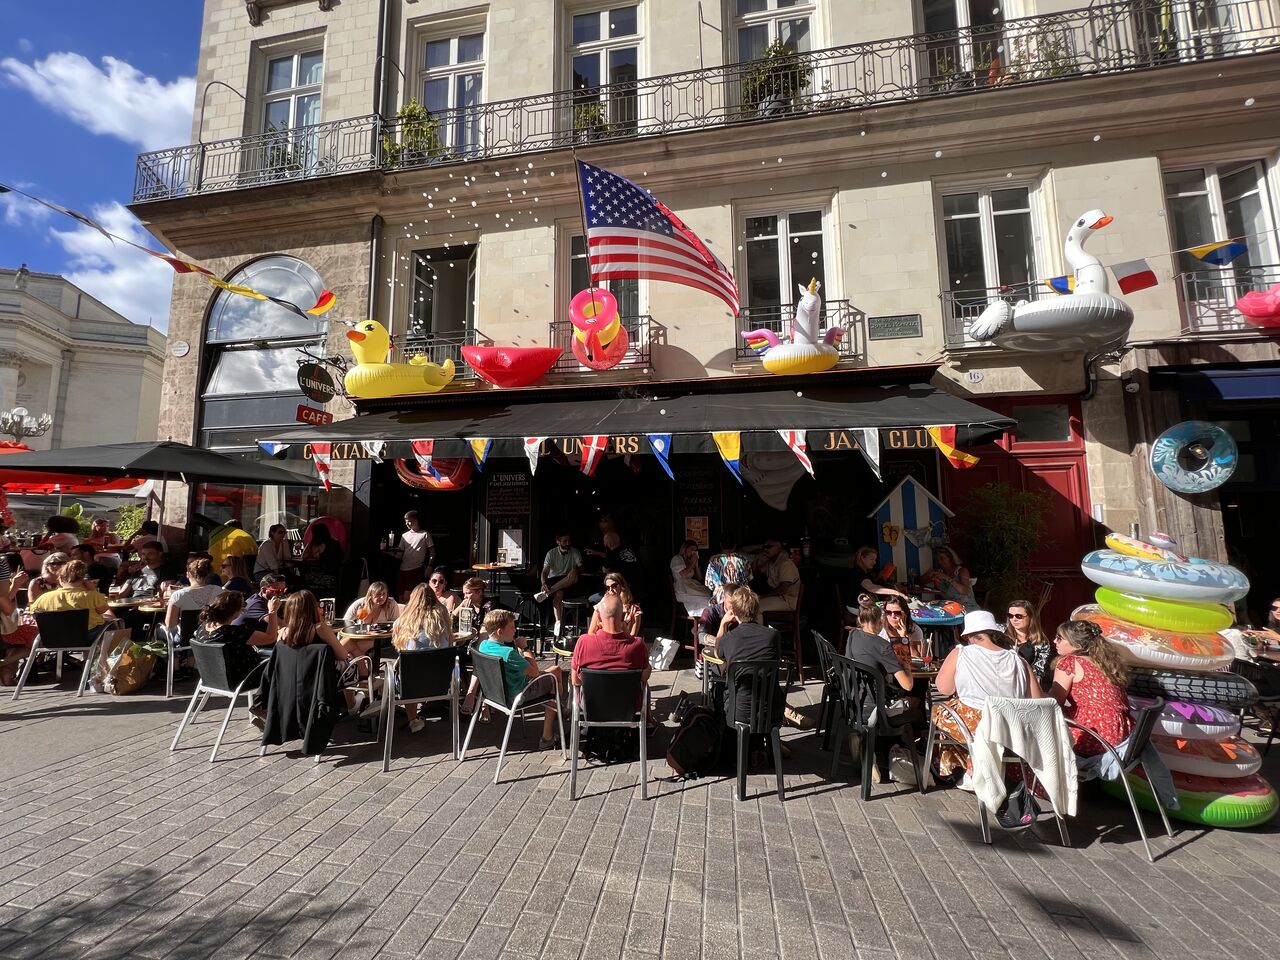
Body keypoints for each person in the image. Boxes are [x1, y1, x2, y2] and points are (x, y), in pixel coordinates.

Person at [931, 610, 1044, 782]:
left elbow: (944, 688)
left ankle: (964, 770)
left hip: (973, 725)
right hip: (1010, 726)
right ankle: (973, 766)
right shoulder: (1017, 659)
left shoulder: (961, 653)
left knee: (940, 711)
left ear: (968, 635)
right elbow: (1036, 699)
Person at [843, 600, 922, 783]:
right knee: (916, 704)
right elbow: (908, 684)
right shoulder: (881, 645)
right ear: (880, 621)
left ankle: (865, 744)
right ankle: (900, 749)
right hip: (876, 712)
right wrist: (903, 646)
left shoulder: (853, 635)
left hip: (853, 703)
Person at [710, 586, 784, 770]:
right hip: (771, 710)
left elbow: (718, 653)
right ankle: (758, 749)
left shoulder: (730, 638)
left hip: (739, 710)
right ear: (756, 610)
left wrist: (722, 625)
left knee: (718, 690)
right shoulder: (773, 636)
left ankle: (732, 751)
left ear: (733, 612)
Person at [30, 559, 130, 690]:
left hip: (51, 639)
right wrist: (92, 590)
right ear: (84, 579)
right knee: (113, 624)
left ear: (60, 579)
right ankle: (108, 671)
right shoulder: (91, 596)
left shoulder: (45, 598)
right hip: (84, 637)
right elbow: (103, 610)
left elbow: (34, 613)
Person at [476, 608, 563, 750]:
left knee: (552, 675)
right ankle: (548, 736)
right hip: (518, 695)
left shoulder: (483, 645)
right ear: (500, 632)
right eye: (511, 627)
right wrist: (525, 647)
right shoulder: (509, 653)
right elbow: (534, 672)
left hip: (494, 695)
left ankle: (560, 710)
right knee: (555, 673)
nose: (515, 630)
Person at [1048, 620, 1133, 759]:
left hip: (1095, 734)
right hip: (1121, 734)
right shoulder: (1105, 663)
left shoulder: (1070, 662)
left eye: (1060, 638)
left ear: (1077, 645)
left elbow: (1053, 702)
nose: (1054, 640)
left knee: (1037, 734)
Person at [389, 583, 456, 732]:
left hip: (411, 683)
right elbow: (449, 642)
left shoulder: (403, 621)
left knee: (405, 667)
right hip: (441, 681)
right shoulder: (442, 615)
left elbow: (402, 648)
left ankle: (413, 720)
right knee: (411, 663)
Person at [571, 594, 650, 717]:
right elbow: (645, 676)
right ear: (623, 617)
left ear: (599, 617)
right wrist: (628, 635)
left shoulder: (583, 642)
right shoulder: (638, 645)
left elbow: (575, 681)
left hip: (591, 707)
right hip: (628, 707)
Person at [191, 590, 281, 693]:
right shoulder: (234, 633)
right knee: (282, 663)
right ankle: (267, 705)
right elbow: (271, 637)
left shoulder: (202, 628)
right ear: (235, 613)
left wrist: (235, 612)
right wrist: (272, 612)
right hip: (244, 677)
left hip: (213, 677)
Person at [276, 589, 359, 662]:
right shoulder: (319, 628)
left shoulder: (282, 632)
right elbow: (342, 656)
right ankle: (365, 678)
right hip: (321, 675)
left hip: (291, 675)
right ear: (312, 608)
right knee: (350, 645)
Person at [538, 533, 583, 635]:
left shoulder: (575, 552)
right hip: (555, 580)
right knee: (558, 594)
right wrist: (543, 582)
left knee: (573, 576)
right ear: (558, 542)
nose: (568, 543)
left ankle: (548, 592)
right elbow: (545, 571)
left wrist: (575, 569)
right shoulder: (551, 553)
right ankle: (558, 623)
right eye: (565, 541)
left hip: (570, 582)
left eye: (569, 541)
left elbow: (581, 567)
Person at [164, 556, 224, 631]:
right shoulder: (219, 591)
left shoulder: (178, 595)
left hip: (187, 640)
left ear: (188, 574)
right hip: (211, 638)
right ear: (208, 574)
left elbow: (170, 624)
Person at [391, 583, 454, 651]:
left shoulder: (407, 618)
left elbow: (395, 625)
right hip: (441, 659)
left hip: (413, 659)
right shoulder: (442, 613)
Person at [389, 510, 435, 601]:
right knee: (400, 597)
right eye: (406, 521)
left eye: (409, 521)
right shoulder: (404, 536)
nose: (407, 523)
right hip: (403, 570)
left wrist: (429, 566)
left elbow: (432, 552)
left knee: (408, 597)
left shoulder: (425, 534)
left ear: (416, 520)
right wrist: (386, 551)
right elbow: (399, 555)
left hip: (416, 569)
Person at [1006, 600, 1052, 686]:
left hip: (1024, 683)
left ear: (1030, 617)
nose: (1014, 619)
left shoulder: (1041, 642)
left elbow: (1039, 671)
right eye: (1010, 616)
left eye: (1019, 616)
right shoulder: (1000, 633)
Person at [752, 539, 800, 614]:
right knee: (751, 604)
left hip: (787, 600)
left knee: (756, 608)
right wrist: (756, 560)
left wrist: (764, 596)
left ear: (779, 547)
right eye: (764, 547)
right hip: (778, 597)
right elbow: (757, 576)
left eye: (769, 546)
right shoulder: (770, 562)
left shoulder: (785, 563)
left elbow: (783, 589)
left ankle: (759, 626)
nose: (766, 549)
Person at [924, 546, 979, 612]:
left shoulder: (961, 571)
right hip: (951, 611)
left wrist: (947, 578)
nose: (939, 562)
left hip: (969, 609)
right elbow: (919, 582)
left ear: (951, 558)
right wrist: (929, 574)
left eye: (942, 558)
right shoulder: (939, 573)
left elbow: (965, 591)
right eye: (937, 559)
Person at [586, 573, 643, 637]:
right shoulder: (600, 607)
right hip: (604, 643)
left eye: (614, 586)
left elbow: (633, 636)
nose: (611, 590)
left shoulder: (634, 609)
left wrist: (623, 625)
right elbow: (591, 632)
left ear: (622, 586)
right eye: (608, 587)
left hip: (624, 644)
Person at [704, 537, 750, 606]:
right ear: (735, 546)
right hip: (739, 600)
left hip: (720, 601)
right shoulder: (743, 560)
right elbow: (748, 580)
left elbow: (709, 585)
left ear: (721, 545)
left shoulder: (713, 560)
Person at [670, 539, 711, 617]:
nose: (694, 552)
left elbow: (700, 577)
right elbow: (683, 574)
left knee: (710, 596)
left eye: (695, 550)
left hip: (691, 587)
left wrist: (696, 565)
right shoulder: (677, 559)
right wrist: (692, 563)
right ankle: (699, 625)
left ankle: (701, 623)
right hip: (683, 590)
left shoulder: (689, 561)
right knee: (707, 600)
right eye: (692, 549)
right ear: (685, 549)